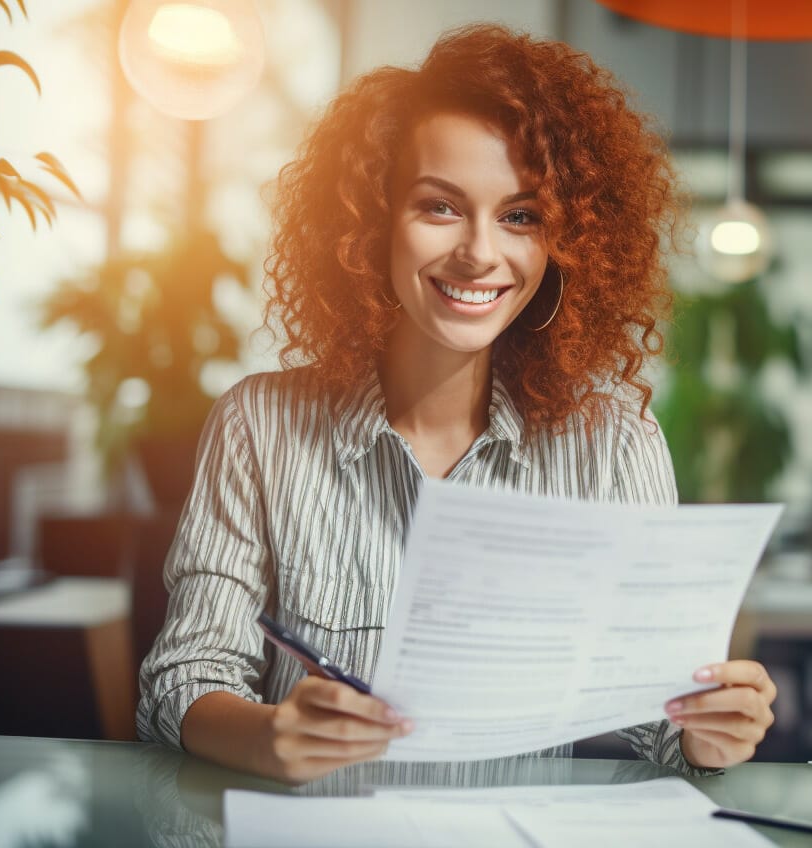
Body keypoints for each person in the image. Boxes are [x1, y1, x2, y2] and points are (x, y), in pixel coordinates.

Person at [136, 24, 777, 785]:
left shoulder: (616, 443)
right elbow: (182, 678)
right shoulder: (259, 425)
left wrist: (713, 730)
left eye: (521, 216)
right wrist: (268, 737)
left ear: (564, 244)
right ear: (371, 224)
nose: (480, 253)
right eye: (440, 207)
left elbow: (660, 724)